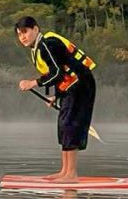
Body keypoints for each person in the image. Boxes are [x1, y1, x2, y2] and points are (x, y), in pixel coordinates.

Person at [15, 16, 96, 182]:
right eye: (19, 34)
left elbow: (57, 72)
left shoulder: (47, 44)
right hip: (69, 87)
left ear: (35, 29)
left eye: (25, 32)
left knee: (71, 125)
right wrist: (56, 96)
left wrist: (33, 83)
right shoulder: (38, 48)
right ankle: (65, 171)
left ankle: (71, 174)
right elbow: (60, 74)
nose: (22, 37)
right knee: (64, 126)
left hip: (81, 86)